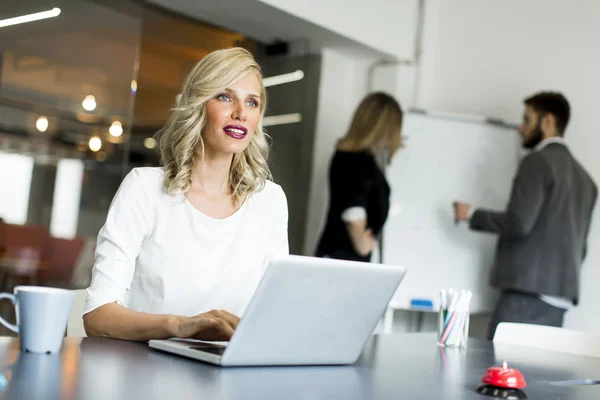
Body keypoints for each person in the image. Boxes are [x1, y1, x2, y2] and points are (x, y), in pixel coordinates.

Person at [83, 48, 289, 342]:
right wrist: (178, 326)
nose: (241, 113)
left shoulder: (270, 201)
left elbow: (275, 311)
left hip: (228, 375)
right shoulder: (144, 189)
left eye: (252, 102)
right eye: (225, 96)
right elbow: (98, 316)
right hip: (147, 369)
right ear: (199, 105)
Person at [453, 91, 597, 340]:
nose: (521, 127)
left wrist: (472, 214)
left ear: (548, 121)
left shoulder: (537, 161)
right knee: (536, 375)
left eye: (527, 119)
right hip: (559, 297)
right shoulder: (587, 180)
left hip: (525, 294)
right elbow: (581, 247)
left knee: (498, 372)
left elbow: (518, 223)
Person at [316, 92, 403, 262]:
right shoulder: (359, 162)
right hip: (344, 260)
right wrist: (362, 243)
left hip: (336, 256)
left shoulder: (349, 156)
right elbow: (353, 212)